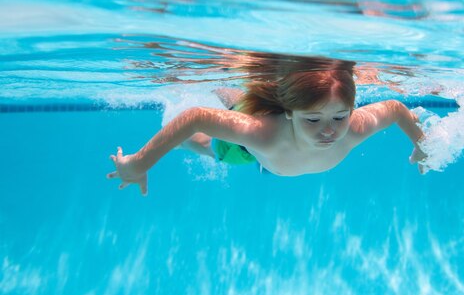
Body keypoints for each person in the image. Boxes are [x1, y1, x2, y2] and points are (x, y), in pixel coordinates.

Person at [107, 55, 428, 196]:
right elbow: (196, 118)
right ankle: (207, 89)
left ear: (351, 109)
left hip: (271, 156)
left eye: (339, 117)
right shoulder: (262, 133)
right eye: (313, 120)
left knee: (239, 104)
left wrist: (421, 144)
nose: (329, 130)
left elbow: (395, 108)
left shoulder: (355, 127)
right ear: (290, 112)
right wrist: (139, 162)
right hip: (250, 151)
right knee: (205, 143)